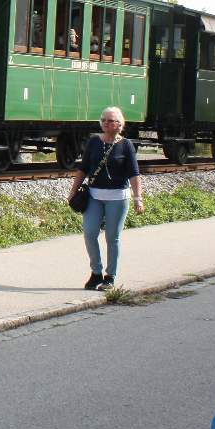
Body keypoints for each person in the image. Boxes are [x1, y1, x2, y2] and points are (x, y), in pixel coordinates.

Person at [66, 106, 144, 291]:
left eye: (110, 121)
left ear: (120, 125)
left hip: (118, 197)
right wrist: (73, 191)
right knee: (90, 233)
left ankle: (110, 277)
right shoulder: (94, 142)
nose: (106, 123)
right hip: (94, 195)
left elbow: (134, 174)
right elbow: (83, 169)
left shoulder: (126, 145)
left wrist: (138, 198)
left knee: (112, 237)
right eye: (103, 120)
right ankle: (96, 273)